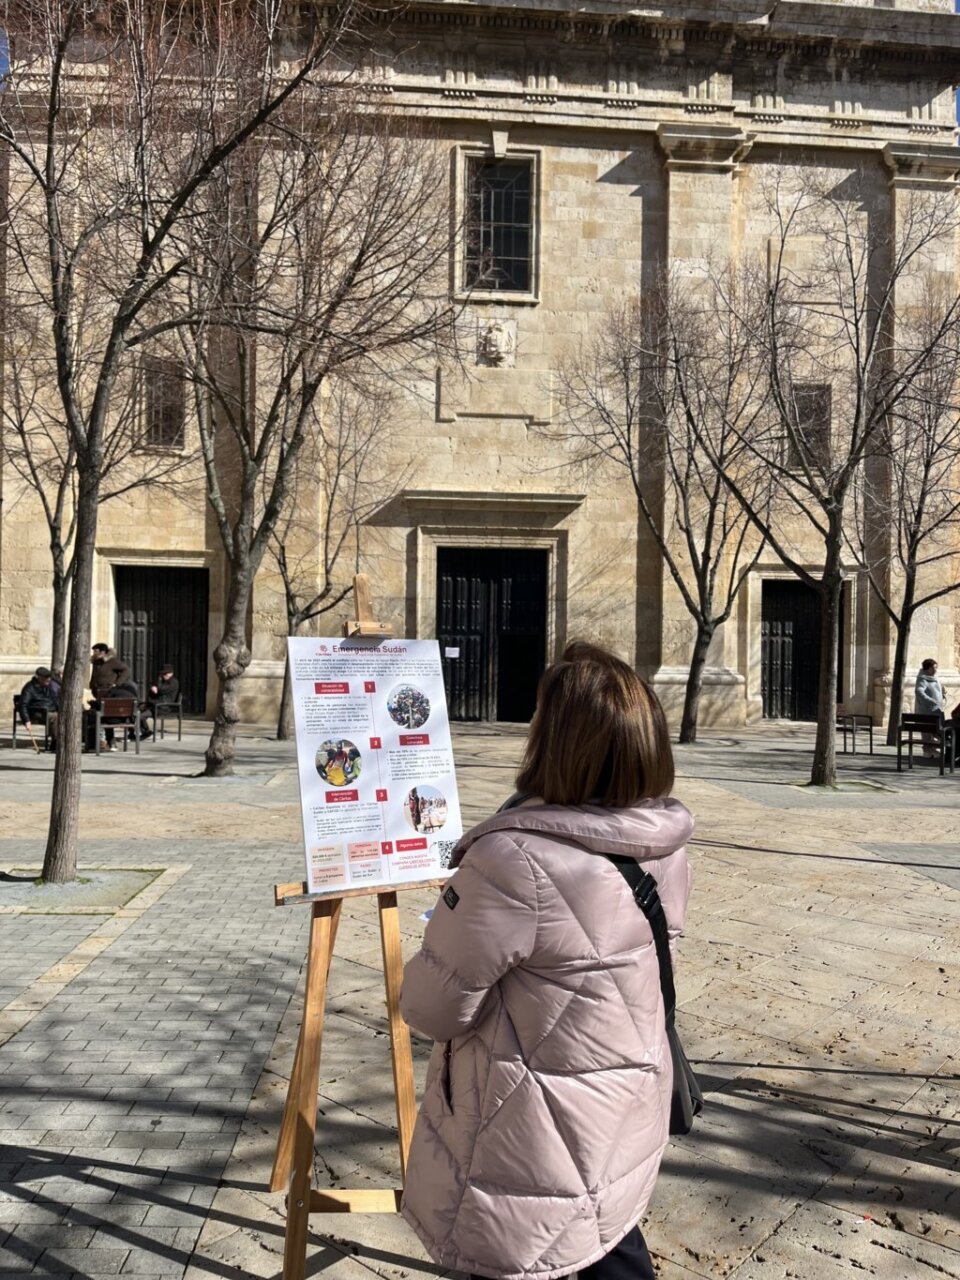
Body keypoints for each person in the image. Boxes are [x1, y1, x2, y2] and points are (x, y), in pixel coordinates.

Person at [399, 642, 693, 1280]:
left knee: (539, 1244)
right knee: (607, 1234)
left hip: (527, 1134)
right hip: (624, 1103)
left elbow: (431, 1007)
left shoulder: (513, 862)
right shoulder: (662, 843)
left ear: (552, 743)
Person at [18, 667, 59, 749]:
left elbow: (54, 699)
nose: (49, 679)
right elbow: (23, 704)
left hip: (49, 711)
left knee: (61, 715)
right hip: (37, 713)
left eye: (49, 677)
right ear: (39, 678)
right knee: (56, 717)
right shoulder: (29, 688)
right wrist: (26, 720)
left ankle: (56, 741)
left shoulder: (47, 687)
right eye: (46, 677)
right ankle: (56, 741)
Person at [915, 658, 945, 759]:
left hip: (937, 710)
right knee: (927, 732)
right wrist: (930, 700)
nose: (935, 670)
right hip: (927, 711)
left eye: (936, 667)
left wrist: (942, 694)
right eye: (933, 668)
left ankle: (934, 750)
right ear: (927, 669)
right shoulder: (923, 679)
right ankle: (928, 751)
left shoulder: (935, 678)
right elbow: (919, 691)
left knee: (936, 731)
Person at [139, 664, 180, 738]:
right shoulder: (163, 681)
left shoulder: (173, 682)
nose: (164, 675)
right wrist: (153, 689)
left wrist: (158, 682)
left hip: (163, 707)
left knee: (140, 716)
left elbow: (161, 690)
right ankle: (137, 732)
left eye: (166, 673)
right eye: (162, 674)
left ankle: (146, 732)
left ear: (171, 673)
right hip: (155, 705)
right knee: (136, 713)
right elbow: (155, 692)